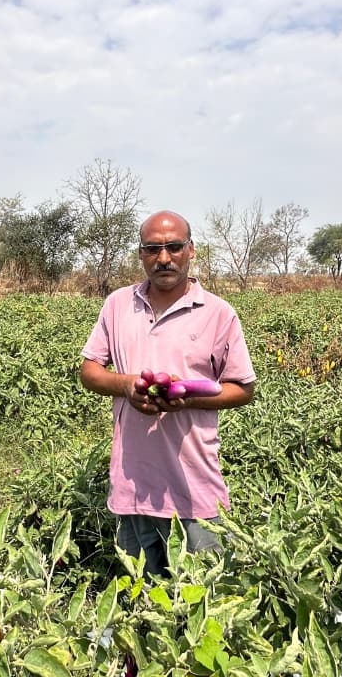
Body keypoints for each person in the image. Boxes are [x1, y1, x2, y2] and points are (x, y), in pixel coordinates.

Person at [79, 210, 256, 578]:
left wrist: (186, 398)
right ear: (141, 254)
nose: (164, 258)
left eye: (174, 247)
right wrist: (127, 386)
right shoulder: (117, 304)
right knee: (142, 595)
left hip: (195, 486)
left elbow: (242, 389)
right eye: (152, 249)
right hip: (132, 484)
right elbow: (90, 371)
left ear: (191, 250)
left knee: (204, 596)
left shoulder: (218, 313)